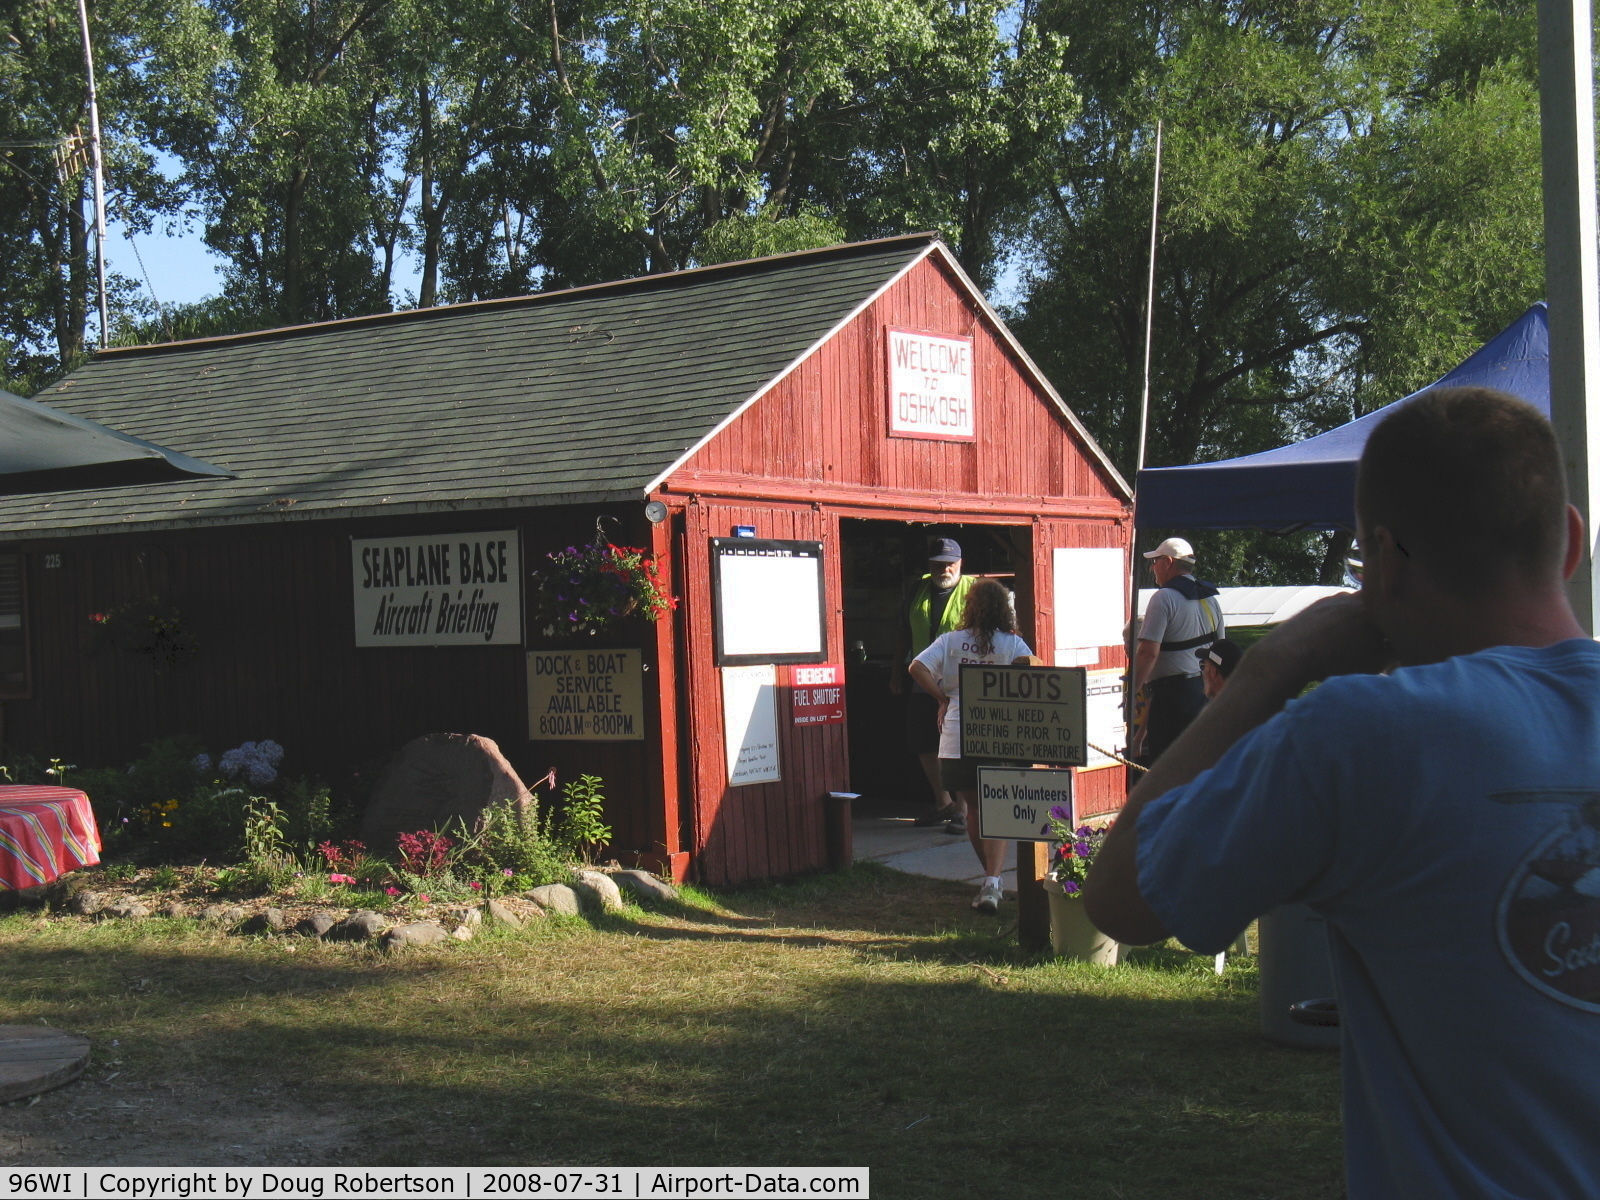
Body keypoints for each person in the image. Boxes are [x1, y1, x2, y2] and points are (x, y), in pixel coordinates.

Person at [1086, 387, 1600, 1198]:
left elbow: (1122, 899)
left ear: (1386, 561)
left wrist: (1269, 671)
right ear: (1570, 541)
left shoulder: (1362, 734)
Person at [908, 578, 1032, 913]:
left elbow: (916, 667)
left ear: (970, 606)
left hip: (958, 736)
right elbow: (1032, 679)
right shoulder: (1014, 645)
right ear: (1004, 609)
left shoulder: (950, 641)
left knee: (975, 810)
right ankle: (992, 881)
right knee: (998, 811)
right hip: (999, 736)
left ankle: (991, 881)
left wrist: (942, 698)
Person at [892, 537, 977, 832]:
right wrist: (895, 672)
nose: (945, 569)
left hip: (961, 682)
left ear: (961, 563)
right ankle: (943, 804)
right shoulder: (918, 590)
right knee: (923, 742)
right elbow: (903, 632)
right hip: (922, 679)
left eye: (950, 563)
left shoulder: (974, 592)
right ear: (930, 565)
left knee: (958, 746)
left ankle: (963, 811)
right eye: (939, 564)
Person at [1132, 536, 1224, 762]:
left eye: (1155, 562)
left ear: (1168, 562)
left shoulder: (1163, 598)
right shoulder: (1211, 599)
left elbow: (1148, 653)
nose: (1153, 568)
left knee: (1167, 766)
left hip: (1173, 698)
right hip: (1206, 692)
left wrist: (1132, 691)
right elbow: (1221, 649)